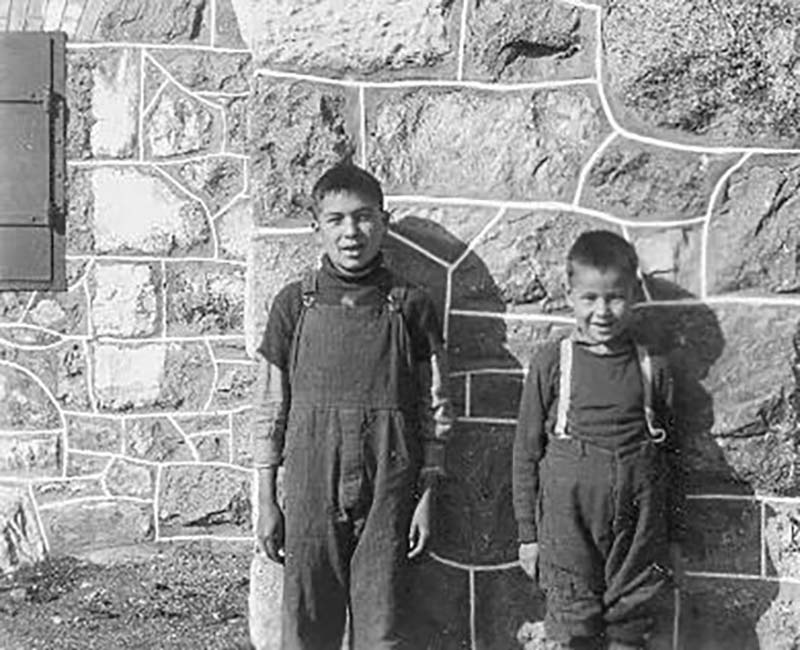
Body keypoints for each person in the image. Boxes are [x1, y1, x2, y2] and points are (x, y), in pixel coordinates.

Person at [251, 163, 452, 650]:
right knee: (308, 619)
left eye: (363, 218)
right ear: (315, 226)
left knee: (383, 624)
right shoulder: (293, 306)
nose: (351, 232)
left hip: (391, 478)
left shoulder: (410, 306)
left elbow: (436, 407)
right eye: (336, 219)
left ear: (384, 221)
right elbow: (269, 410)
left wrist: (427, 495)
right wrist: (266, 501)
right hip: (310, 480)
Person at [512, 230, 686, 650]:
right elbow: (526, 451)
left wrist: (675, 536)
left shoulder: (651, 367)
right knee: (572, 624)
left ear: (634, 296)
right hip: (568, 523)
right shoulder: (555, 361)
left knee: (632, 619)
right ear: (570, 296)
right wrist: (527, 535)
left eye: (615, 297)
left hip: (638, 522)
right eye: (590, 298)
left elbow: (673, 458)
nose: (603, 311)